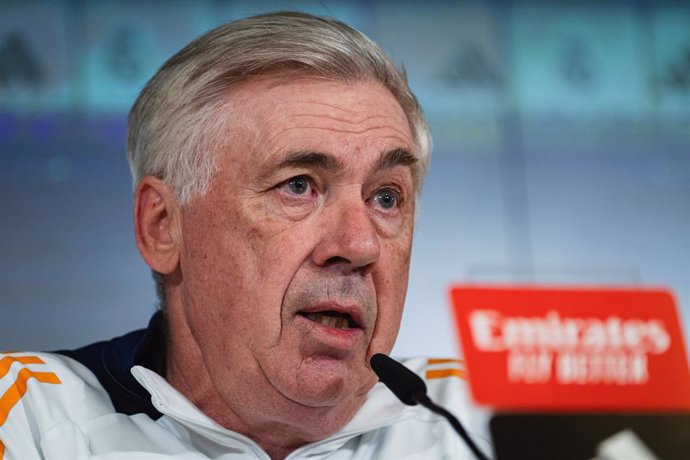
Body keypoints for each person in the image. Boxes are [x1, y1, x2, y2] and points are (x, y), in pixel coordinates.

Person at [0, 12, 489, 459]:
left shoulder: (483, 419)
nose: (360, 245)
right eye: (298, 186)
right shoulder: (30, 418)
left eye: (386, 198)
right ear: (163, 227)